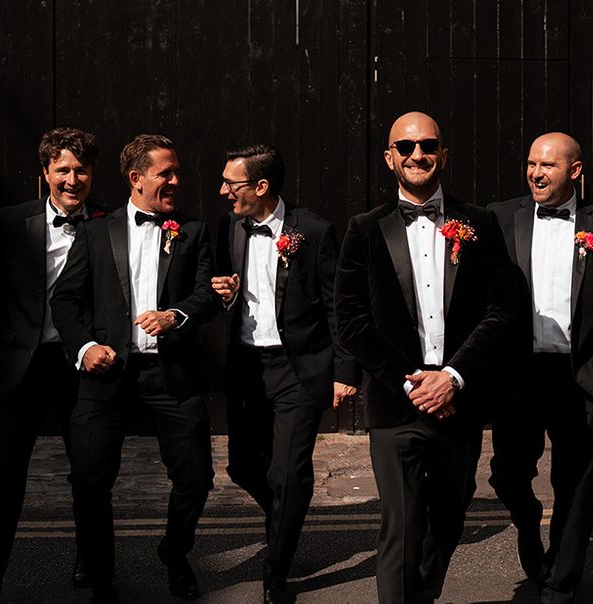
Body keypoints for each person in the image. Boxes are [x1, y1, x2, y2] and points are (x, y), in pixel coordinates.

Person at [334, 112, 518, 604]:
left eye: (428, 145)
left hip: (460, 401)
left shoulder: (479, 223)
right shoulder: (364, 229)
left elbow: (504, 309)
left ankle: (423, 596)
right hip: (397, 407)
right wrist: (413, 383)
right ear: (390, 157)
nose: (419, 154)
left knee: (450, 519)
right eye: (407, 147)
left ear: (443, 154)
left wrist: (453, 378)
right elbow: (350, 321)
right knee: (402, 524)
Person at [51, 134, 219, 603]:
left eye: (176, 172)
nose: (175, 181)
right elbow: (64, 300)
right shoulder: (95, 231)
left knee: (196, 477)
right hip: (107, 373)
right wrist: (85, 346)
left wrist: (175, 316)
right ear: (136, 178)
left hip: (171, 374)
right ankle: (102, 579)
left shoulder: (193, 230)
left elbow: (206, 295)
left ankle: (177, 552)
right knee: (89, 480)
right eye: (166, 173)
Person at [0, 127, 102, 603]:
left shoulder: (110, 224)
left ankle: (90, 562)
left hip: (79, 368)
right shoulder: (11, 222)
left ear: (93, 173)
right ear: (46, 172)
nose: (73, 179)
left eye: (81, 169)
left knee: (90, 476)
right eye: (63, 170)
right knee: (4, 480)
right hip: (18, 370)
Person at [488, 132, 593, 604]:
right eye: (531, 163)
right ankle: (527, 524)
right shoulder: (501, 218)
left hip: (581, 376)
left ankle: (561, 582)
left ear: (574, 172)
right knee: (507, 473)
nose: (536, 173)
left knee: (575, 480)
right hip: (518, 374)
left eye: (548, 166)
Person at [210, 144, 358, 604]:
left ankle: (276, 572)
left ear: (261, 186)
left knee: (290, 474)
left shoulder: (312, 231)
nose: (222, 191)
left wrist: (344, 370)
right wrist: (223, 292)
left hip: (298, 367)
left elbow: (337, 303)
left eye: (231, 184)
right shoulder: (229, 228)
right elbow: (218, 290)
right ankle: (284, 519)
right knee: (243, 467)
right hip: (247, 366)